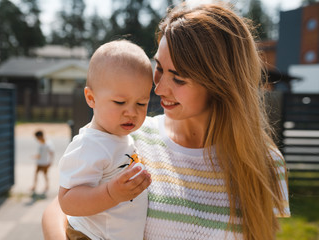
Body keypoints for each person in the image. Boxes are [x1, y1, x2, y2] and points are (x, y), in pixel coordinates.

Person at [42, 3, 290, 240]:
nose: (158, 88)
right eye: (158, 67)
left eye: (179, 79)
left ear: (221, 84)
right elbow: (60, 209)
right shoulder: (129, 137)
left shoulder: (265, 163)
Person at [58, 40, 153, 240]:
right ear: (91, 98)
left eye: (141, 103)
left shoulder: (121, 137)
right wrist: (111, 193)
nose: (132, 112)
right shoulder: (89, 144)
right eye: (120, 102)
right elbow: (67, 200)